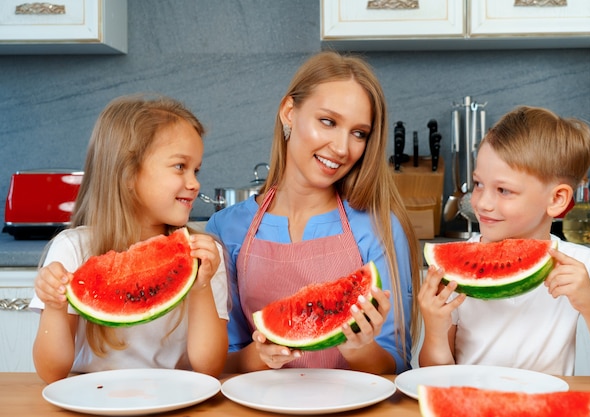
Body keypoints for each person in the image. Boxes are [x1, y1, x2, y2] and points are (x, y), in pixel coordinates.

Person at [206, 51, 421, 374]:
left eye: (358, 133)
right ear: (289, 111)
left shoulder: (379, 229)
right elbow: (220, 358)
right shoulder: (227, 228)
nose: (342, 148)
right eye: (328, 122)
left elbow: (396, 364)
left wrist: (360, 349)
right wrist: (260, 356)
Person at [30, 94, 229, 384]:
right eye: (179, 167)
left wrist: (201, 288)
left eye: (196, 169)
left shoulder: (203, 254)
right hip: (91, 399)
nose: (194, 183)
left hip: (177, 398)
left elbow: (209, 367)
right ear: (127, 174)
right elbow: (52, 372)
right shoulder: (72, 249)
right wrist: (55, 308)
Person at [418, 105, 590, 382]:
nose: (482, 203)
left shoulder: (581, 265)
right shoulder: (454, 273)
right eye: (479, 184)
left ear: (556, 200)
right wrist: (434, 329)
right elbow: (435, 377)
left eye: (504, 190)